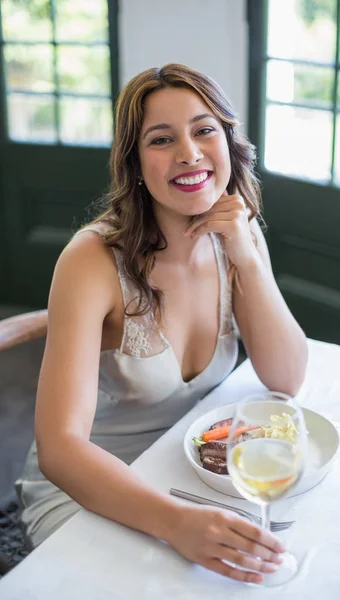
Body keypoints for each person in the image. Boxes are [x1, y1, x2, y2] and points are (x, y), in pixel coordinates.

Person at [15, 63, 308, 584]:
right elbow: (60, 450)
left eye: (203, 130)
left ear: (227, 141)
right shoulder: (90, 261)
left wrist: (246, 254)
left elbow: (286, 377)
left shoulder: (237, 232)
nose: (189, 154)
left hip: (183, 472)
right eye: (161, 139)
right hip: (89, 493)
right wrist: (175, 522)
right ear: (134, 162)